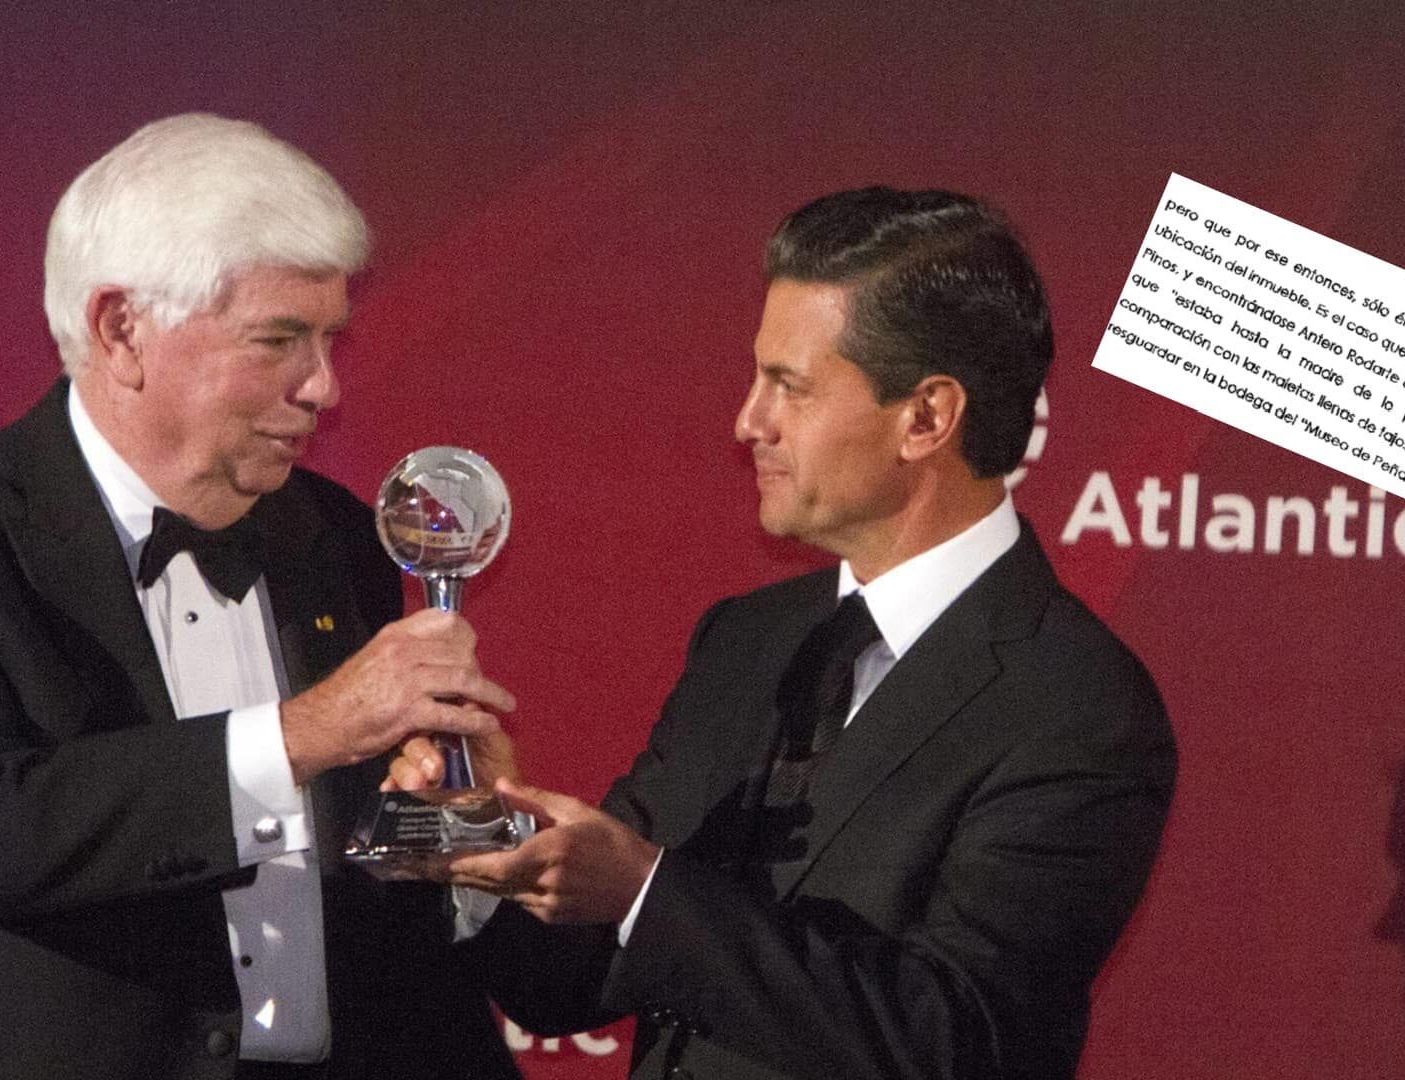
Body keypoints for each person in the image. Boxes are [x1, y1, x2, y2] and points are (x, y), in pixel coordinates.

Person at [0, 114, 522, 1080]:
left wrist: (454, 820)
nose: (324, 387)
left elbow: (372, 867)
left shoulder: (337, 534)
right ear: (121, 328)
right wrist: (306, 733)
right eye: (279, 339)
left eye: (329, 338)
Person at [398, 187, 1177, 1079]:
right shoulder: (746, 641)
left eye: (790, 387)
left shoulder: (1077, 705)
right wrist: (494, 837)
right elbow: (561, 987)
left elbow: (953, 1041)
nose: (747, 422)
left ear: (925, 417)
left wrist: (646, 894)